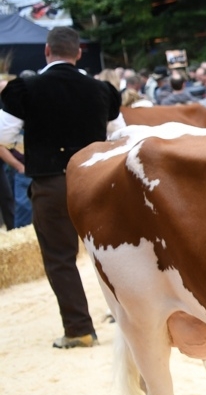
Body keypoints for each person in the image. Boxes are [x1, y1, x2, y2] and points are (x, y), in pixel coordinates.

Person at [0, 26, 123, 347]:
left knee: (59, 258)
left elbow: (3, 135)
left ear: (46, 51)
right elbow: (120, 137)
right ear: (79, 53)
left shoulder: (25, 88)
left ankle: (79, 329)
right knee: (114, 254)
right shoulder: (102, 90)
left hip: (52, 183)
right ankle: (129, 319)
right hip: (98, 181)